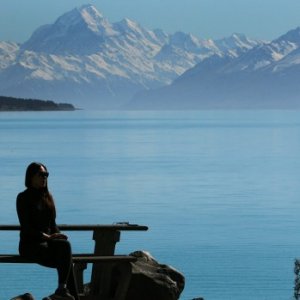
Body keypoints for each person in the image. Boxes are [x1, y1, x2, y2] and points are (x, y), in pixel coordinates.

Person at [16, 162, 78, 300]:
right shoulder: (23, 198)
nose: (45, 177)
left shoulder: (47, 198)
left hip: (46, 244)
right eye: (41, 174)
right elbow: (26, 228)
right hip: (30, 246)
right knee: (67, 263)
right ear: (31, 177)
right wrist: (48, 237)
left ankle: (62, 289)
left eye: (46, 175)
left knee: (66, 251)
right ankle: (62, 292)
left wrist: (58, 235)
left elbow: (53, 224)